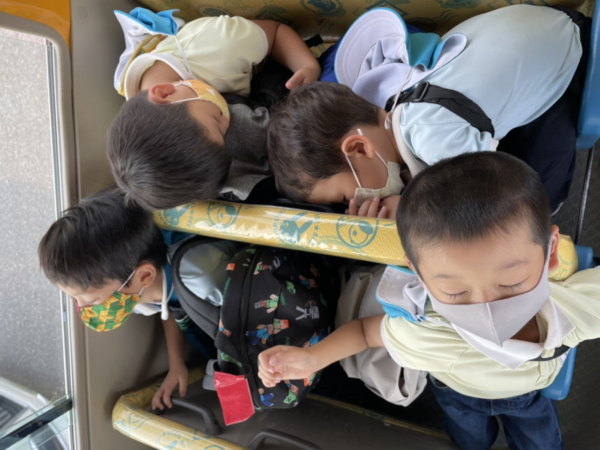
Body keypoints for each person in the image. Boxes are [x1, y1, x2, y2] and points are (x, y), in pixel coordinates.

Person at [257, 152, 600, 450]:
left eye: (511, 283)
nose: (486, 310)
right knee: (470, 441)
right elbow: (365, 332)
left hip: (529, 395)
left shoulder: (570, 311)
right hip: (460, 396)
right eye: (455, 292)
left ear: (550, 253)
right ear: (418, 275)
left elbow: (365, 333)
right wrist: (312, 358)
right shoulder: (426, 327)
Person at [267, 5, 587, 217]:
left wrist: (410, 211)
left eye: (343, 198)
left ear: (359, 147)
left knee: (535, 201)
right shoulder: (393, 105)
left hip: (572, 51)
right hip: (536, 26)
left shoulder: (430, 135)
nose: (354, 205)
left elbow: (489, 203)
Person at [37, 189, 234, 410]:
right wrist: (176, 364)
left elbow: (243, 310)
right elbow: (169, 307)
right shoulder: (134, 292)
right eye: (74, 298)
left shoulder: (201, 278)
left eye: (92, 300)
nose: (82, 307)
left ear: (144, 275)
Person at [108, 12, 321, 210]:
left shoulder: (221, 45)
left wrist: (307, 66)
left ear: (164, 93)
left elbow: (275, 33)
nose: (227, 123)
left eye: (215, 121)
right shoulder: (148, 115)